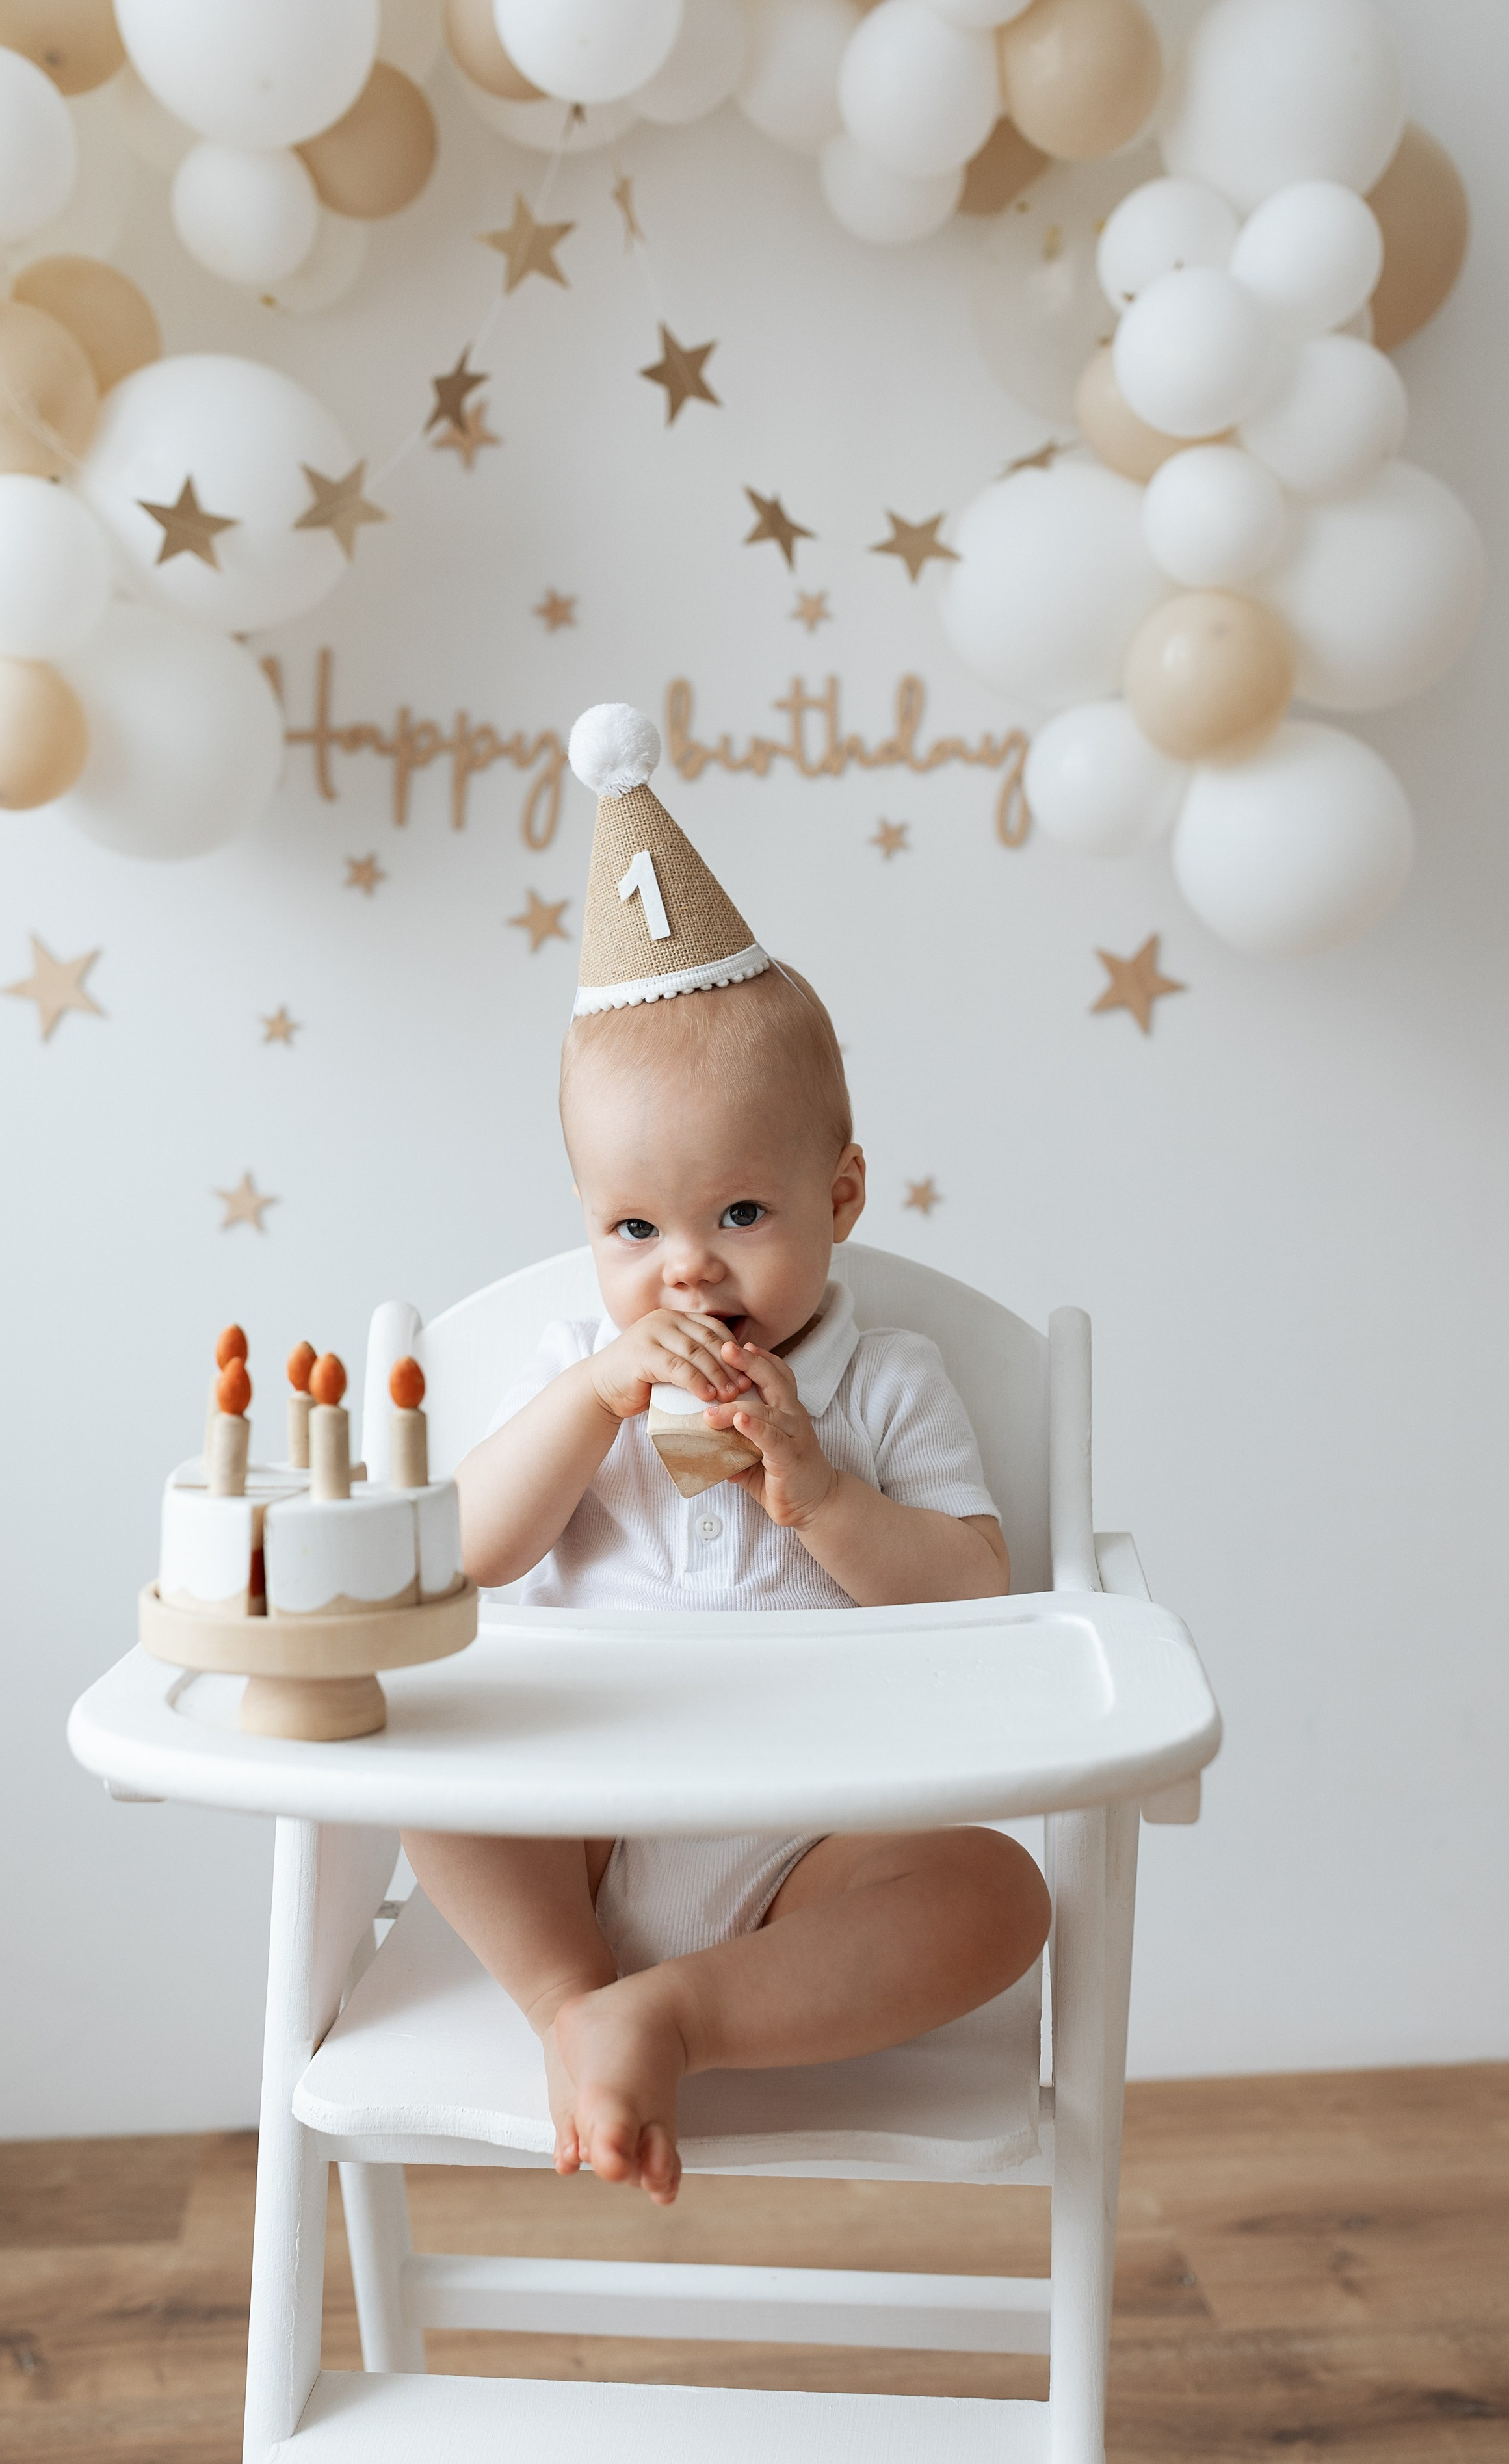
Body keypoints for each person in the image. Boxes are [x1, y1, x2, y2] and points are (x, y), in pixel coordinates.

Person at [402, 705, 1050, 2208]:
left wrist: (817, 1494)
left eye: (739, 1215)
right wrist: (592, 1402)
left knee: (996, 1894)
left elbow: (975, 1593)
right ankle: (575, 1996)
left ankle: (671, 2016)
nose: (683, 1270)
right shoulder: (577, 1370)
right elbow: (469, 1554)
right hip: (582, 1814)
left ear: (841, 1196)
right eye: (632, 1229)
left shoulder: (884, 1380)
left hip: (811, 1838)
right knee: (421, 1774)